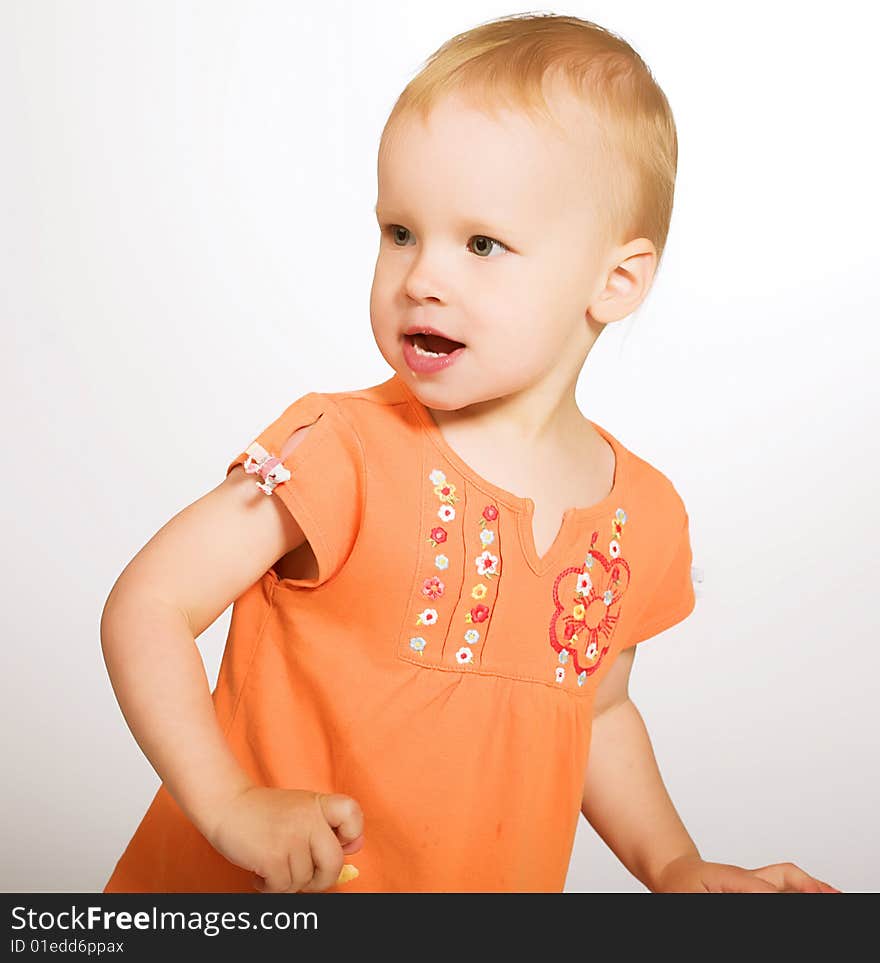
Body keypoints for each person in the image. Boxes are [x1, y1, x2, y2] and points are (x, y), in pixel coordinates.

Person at [100, 13, 841, 894]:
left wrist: (672, 863)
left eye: (482, 243)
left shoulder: (642, 516)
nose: (422, 277)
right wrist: (227, 803)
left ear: (617, 281)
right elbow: (148, 604)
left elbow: (595, 710)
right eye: (400, 232)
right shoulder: (344, 453)